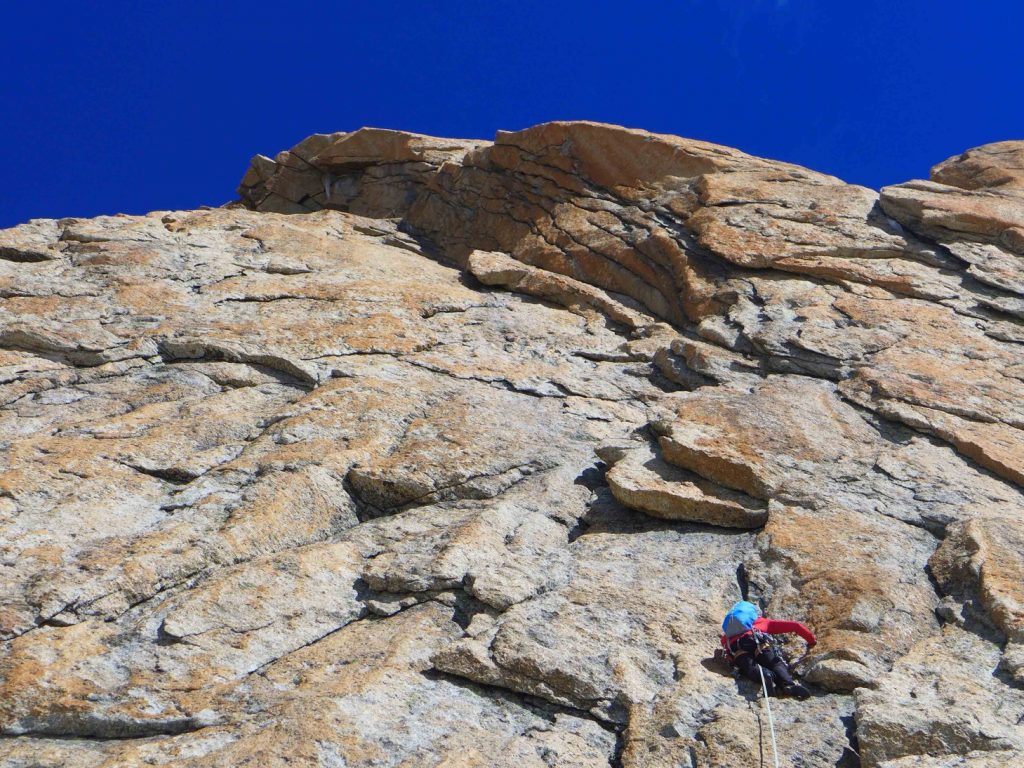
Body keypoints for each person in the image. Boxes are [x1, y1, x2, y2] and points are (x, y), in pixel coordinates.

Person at [720, 600, 814, 699]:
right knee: (775, 664)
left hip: (737, 647)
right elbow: (795, 626)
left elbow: (724, 644)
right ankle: (787, 685)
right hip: (757, 641)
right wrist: (811, 640)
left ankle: (764, 675)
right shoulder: (760, 621)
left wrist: (732, 659)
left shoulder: (728, 634)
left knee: (748, 666)